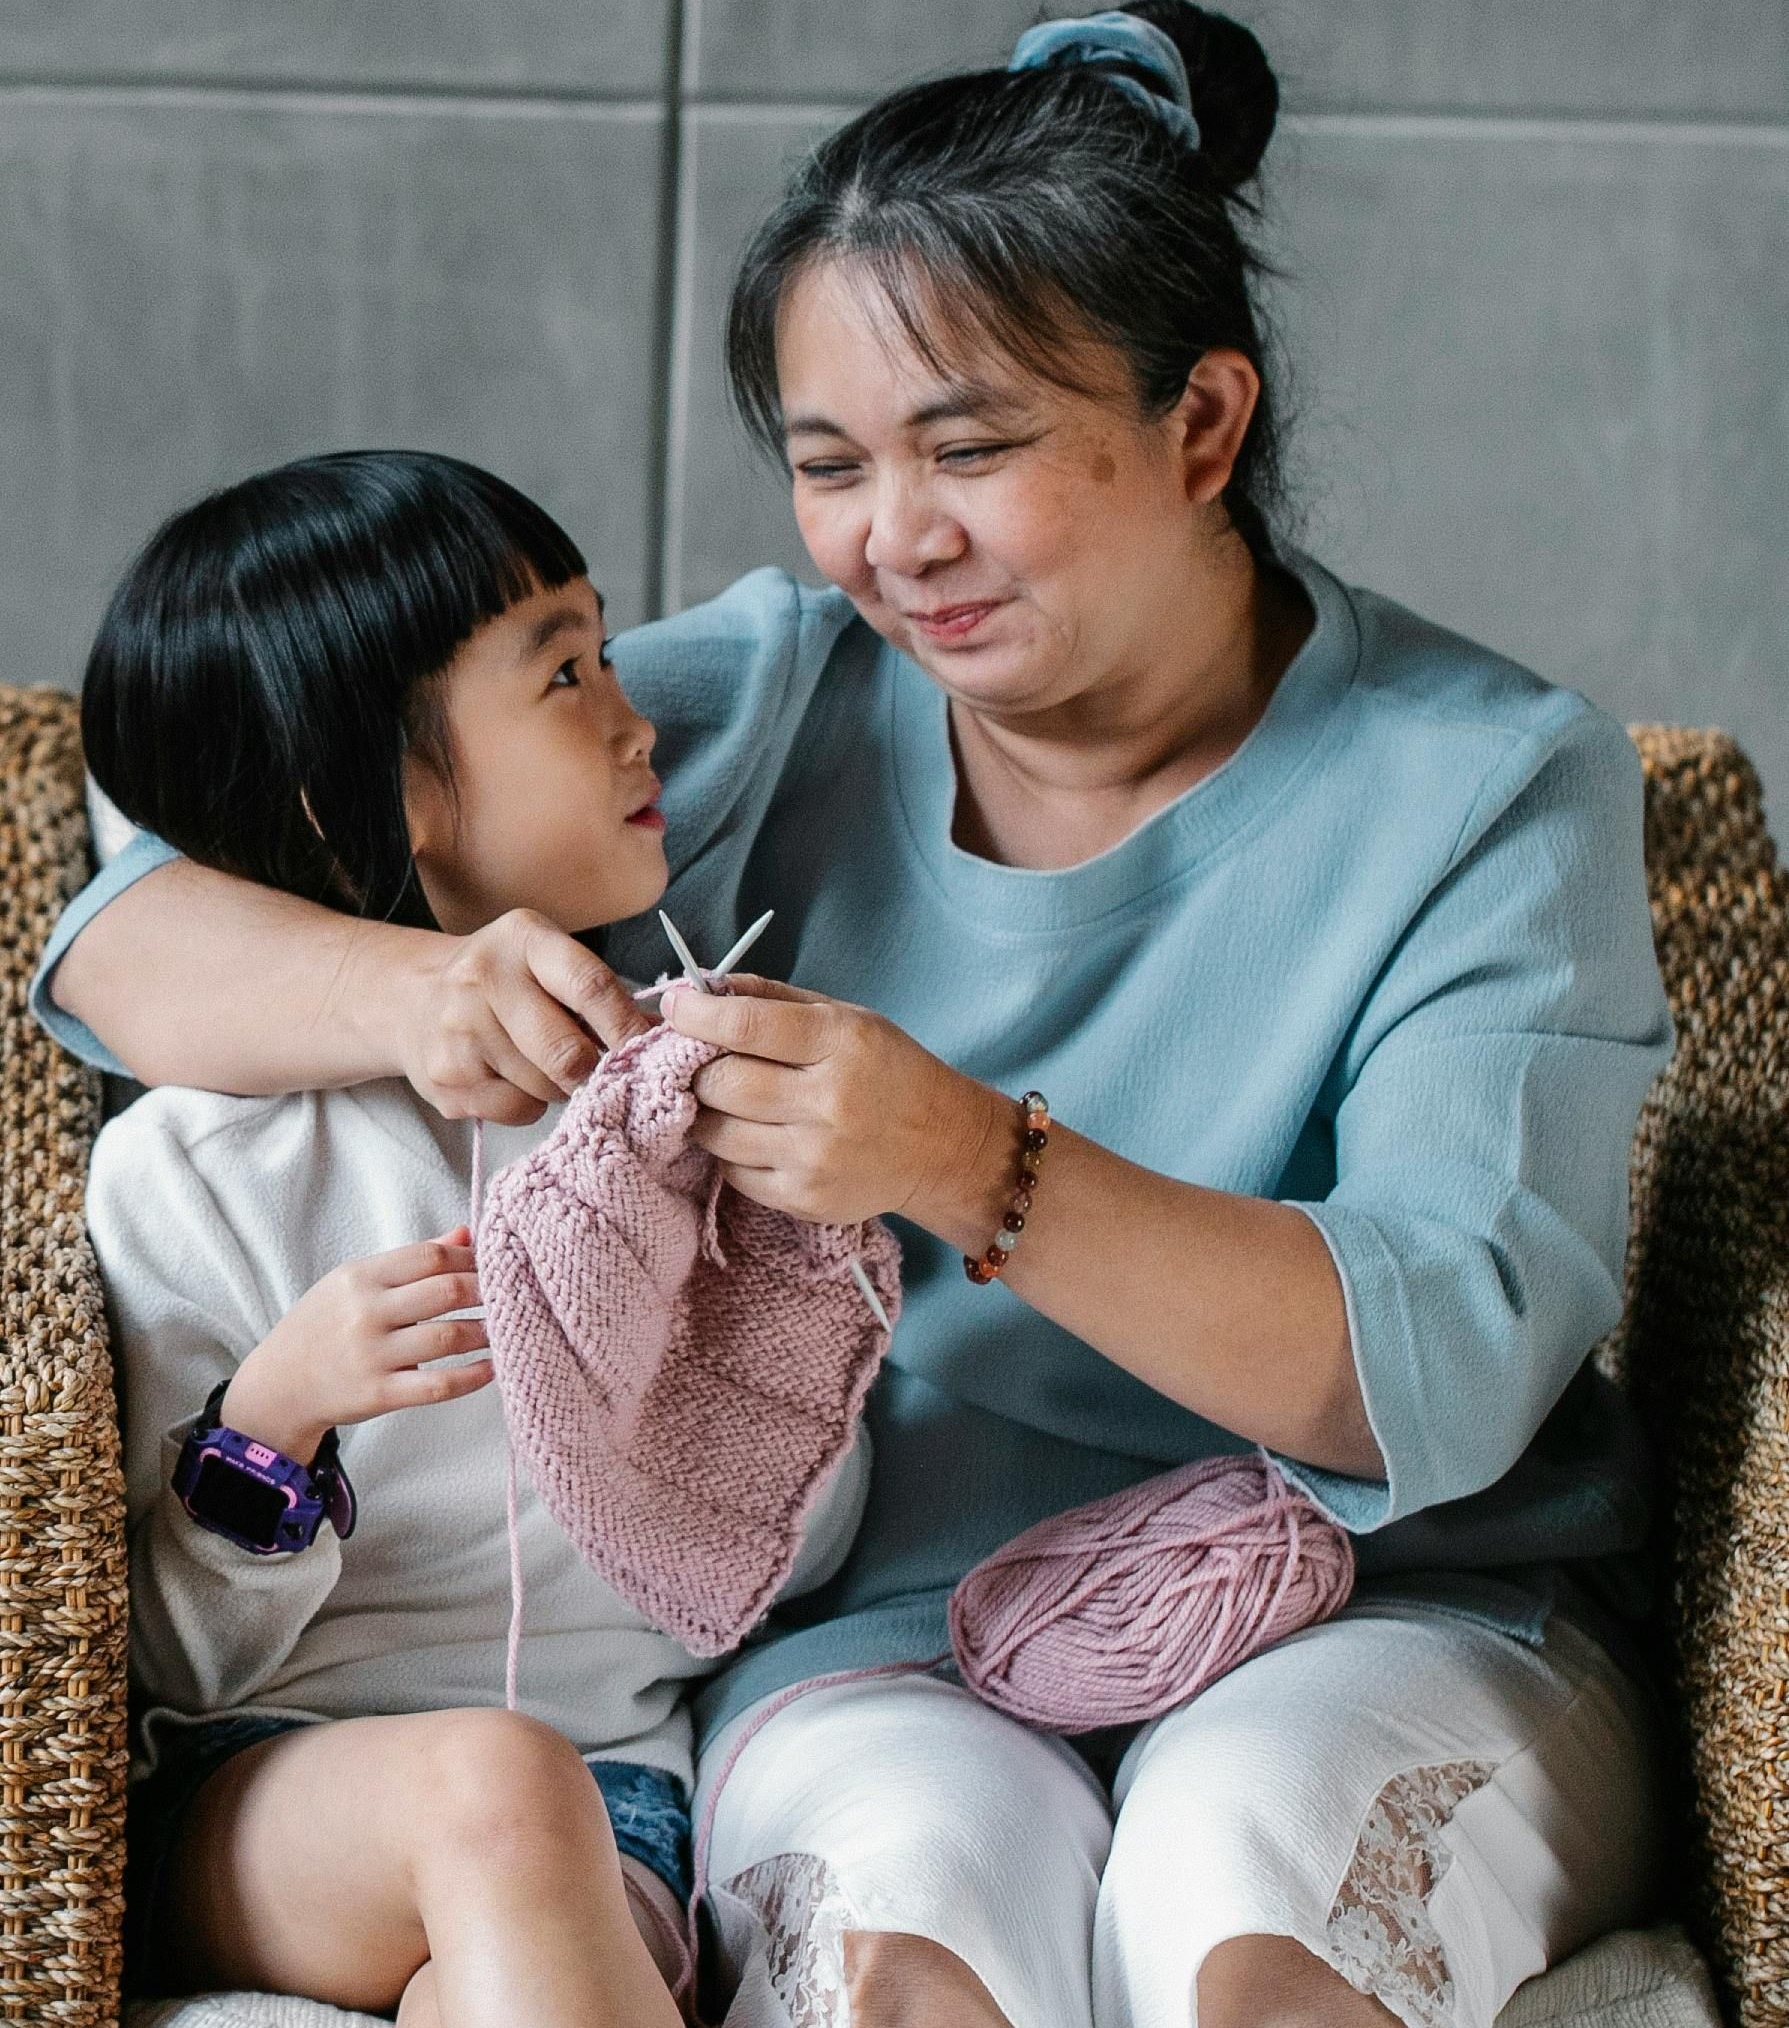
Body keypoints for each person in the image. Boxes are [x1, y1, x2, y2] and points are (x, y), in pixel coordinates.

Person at [36, 7, 1676, 2025]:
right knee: (902, 1976)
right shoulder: (789, 690)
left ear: (1203, 426)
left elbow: (1445, 1357)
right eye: (832, 467)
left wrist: (972, 1163)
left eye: (971, 447)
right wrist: (432, 982)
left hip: (1387, 1595)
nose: (896, 540)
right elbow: (130, 917)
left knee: (1250, 1932)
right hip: (875, 1639)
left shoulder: (1487, 784)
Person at [66, 450, 866, 2027]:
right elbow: (173, 1665)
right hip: (263, 1796)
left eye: (608, 652)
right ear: (358, 794)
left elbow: (775, 1573)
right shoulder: (198, 1169)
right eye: (563, 675)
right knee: (490, 1789)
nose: (641, 721)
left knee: (506, 1917)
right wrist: (274, 1423)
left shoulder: (680, 1121)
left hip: (615, 1809)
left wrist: (757, 1318)